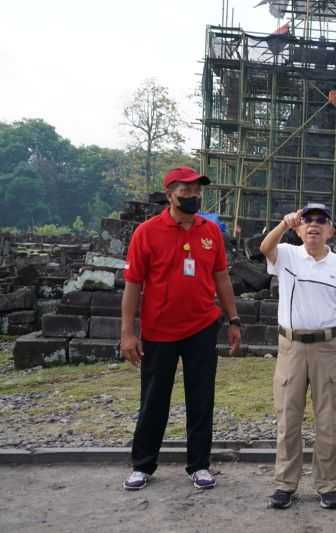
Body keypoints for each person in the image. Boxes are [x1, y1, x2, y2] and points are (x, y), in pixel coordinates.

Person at [121, 166, 241, 491]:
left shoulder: (210, 231)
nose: (193, 195)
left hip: (202, 326)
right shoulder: (147, 232)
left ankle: (199, 465)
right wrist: (128, 332)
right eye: (185, 190)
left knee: (201, 398)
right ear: (170, 194)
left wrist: (233, 319)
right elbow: (133, 284)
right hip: (159, 330)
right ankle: (143, 464)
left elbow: (222, 277)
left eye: (197, 190)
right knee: (154, 399)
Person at [260, 203, 336, 511]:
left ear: (330, 230)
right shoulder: (289, 254)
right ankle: (285, 484)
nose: (314, 225)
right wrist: (283, 224)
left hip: (328, 348)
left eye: (321, 221)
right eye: (308, 221)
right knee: (288, 418)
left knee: (328, 420)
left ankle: (327, 485)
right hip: (291, 347)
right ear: (300, 228)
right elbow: (265, 248)